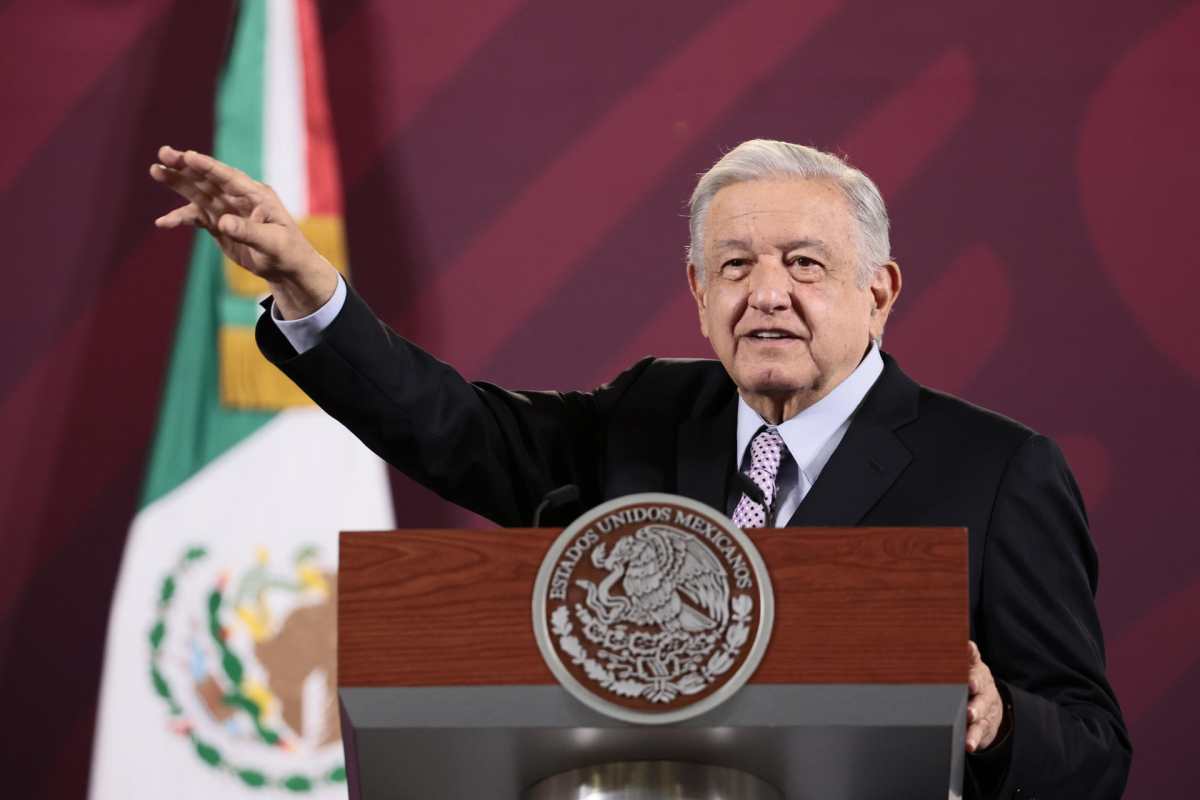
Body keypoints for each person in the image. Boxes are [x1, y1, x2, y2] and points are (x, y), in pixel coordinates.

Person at [150, 139, 1130, 798]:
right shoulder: (648, 411)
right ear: (699, 293)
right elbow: (457, 429)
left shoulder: (999, 470)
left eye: (804, 262)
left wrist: (998, 720)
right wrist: (309, 288)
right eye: (736, 266)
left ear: (879, 292)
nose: (768, 294)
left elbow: (1093, 751)